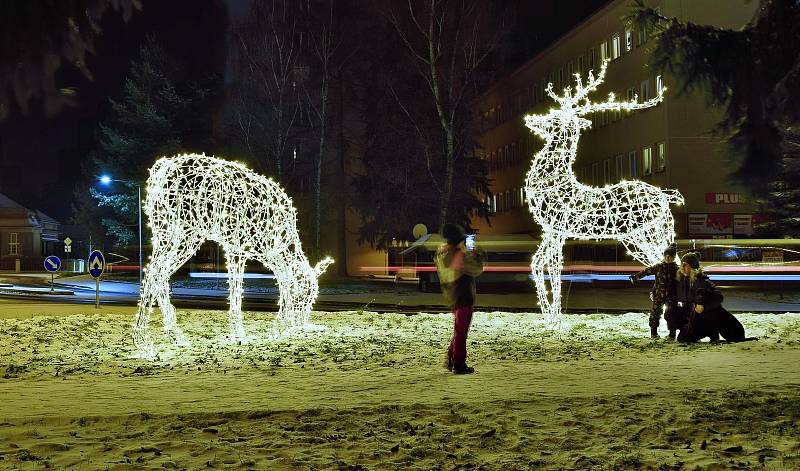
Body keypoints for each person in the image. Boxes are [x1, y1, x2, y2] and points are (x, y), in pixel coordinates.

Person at [435, 223, 484, 375]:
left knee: (458, 329)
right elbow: (477, 269)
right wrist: (476, 254)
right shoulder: (458, 255)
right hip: (463, 295)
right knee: (461, 331)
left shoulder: (442, 253)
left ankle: (451, 359)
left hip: (452, 295)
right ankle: (458, 363)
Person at [674, 252, 746, 343]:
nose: (682, 268)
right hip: (694, 314)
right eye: (682, 265)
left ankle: (711, 330)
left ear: (692, 267)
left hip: (705, 317)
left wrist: (704, 307)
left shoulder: (702, 281)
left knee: (684, 338)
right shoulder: (683, 280)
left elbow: (719, 297)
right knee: (673, 316)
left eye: (685, 265)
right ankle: (706, 330)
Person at [630, 244, 679, 339]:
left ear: (673, 257)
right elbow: (647, 271)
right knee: (655, 314)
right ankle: (654, 333)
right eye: (666, 256)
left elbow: (683, 280)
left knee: (671, 314)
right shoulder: (659, 267)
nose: (668, 258)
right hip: (658, 295)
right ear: (664, 256)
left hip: (672, 296)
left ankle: (672, 334)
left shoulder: (676, 269)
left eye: (670, 256)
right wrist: (636, 277)